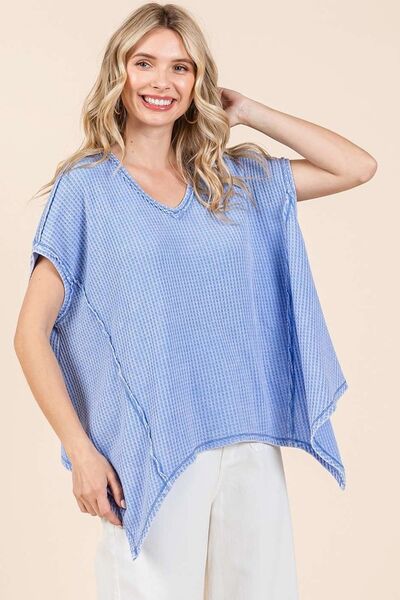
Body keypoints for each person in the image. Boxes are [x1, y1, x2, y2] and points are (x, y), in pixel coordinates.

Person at [14, 3, 377, 599]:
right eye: (144, 63)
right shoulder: (87, 190)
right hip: (156, 444)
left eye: (180, 68)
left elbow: (357, 167)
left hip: (249, 438)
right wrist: (81, 451)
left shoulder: (231, 181)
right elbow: (31, 333)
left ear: (198, 82)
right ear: (118, 72)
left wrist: (249, 110)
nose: (162, 81)